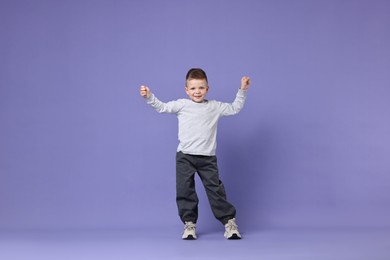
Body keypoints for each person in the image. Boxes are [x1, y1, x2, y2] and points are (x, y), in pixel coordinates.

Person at [139, 68, 250, 240]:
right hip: (185, 157)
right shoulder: (182, 105)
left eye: (201, 88)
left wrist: (242, 90)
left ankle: (229, 222)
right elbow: (162, 107)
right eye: (193, 88)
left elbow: (235, 108)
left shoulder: (214, 107)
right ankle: (189, 224)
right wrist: (149, 97)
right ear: (186, 90)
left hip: (207, 158)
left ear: (207, 89)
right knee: (185, 190)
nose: (197, 92)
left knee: (215, 190)